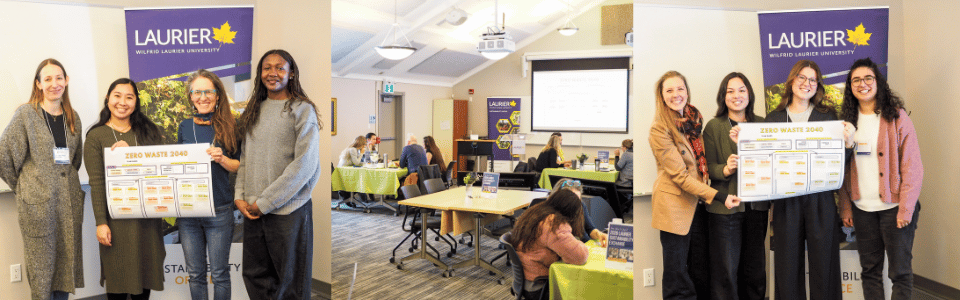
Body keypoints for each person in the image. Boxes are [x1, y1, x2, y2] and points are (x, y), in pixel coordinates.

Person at [730, 60, 855, 300]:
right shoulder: (774, 119)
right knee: (787, 266)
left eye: (812, 79)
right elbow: (760, 159)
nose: (806, 83)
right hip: (786, 202)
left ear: (817, 85)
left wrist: (848, 144)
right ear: (792, 81)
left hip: (821, 201)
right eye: (801, 77)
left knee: (824, 265)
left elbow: (840, 162)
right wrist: (744, 145)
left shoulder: (828, 116)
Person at [235, 49, 322, 299]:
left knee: (290, 284)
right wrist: (240, 195)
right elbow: (245, 159)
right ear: (260, 73)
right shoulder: (253, 110)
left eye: (280, 67)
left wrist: (266, 203)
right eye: (267, 68)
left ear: (291, 73)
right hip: (253, 211)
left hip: (288, 211)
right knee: (255, 276)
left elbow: (304, 165)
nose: (272, 73)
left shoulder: (302, 110)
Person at [648, 70, 741, 299]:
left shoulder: (693, 122)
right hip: (674, 207)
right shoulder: (660, 128)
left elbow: (702, 164)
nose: (676, 94)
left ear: (687, 91)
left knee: (700, 272)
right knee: (677, 275)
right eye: (669, 90)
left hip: (697, 205)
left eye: (680, 88)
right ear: (661, 96)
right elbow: (681, 176)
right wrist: (719, 196)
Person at [838, 58, 923, 300]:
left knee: (900, 273)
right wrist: (845, 206)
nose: (862, 84)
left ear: (878, 83)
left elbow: (913, 166)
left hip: (895, 209)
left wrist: (906, 209)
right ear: (850, 86)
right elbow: (842, 169)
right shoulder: (846, 122)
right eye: (856, 80)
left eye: (868, 78)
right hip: (862, 209)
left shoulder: (896, 117)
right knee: (870, 271)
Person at [0, 59, 85, 300]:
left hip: (68, 204)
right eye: (47, 79)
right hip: (38, 207)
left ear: (66, 81)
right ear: (38, 84)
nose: (54, 84)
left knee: (65, 268)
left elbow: (74, 161)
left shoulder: (73, 117)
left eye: (59, 78)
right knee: (42, 272)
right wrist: (25, 187)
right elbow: (4, 156)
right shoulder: (26, 115)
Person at [84, 78, 166, 300]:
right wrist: (101, 222)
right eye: (117, 96)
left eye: (129, 97)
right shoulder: (95, 136)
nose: (122, 102)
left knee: (145, 282)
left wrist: (130, 155)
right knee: (118, 285)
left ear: (136, 102)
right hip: (115, 223)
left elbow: (160, 172)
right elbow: (97, 182)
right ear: (108, 99)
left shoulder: (149, 132)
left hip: (147, 220)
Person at [702, 72, 768, 300]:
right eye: (730, 91)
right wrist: (726, 169)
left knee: (756, 272)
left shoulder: (762, 124)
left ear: (749, 94)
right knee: (726, 273)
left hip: (756, 208)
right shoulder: (713, 126)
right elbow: (706, 168)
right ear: (723, 96)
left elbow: (771, 161)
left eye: (742, 90)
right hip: (726, 209)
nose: (736, 95)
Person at [176, 70, 241, 300]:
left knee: (221, 274)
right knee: (195, 274)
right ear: (191, 96)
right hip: (188, 213)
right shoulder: (184, 126)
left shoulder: (232, 124)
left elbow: (239, 166)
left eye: (208, 92)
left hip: (219, 211)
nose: (202, 97)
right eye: (197, 92)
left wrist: (222, 158)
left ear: (217, 95)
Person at [510, 188, 589, 300]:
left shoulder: (536, 211)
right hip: (539, 287)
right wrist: (579, 243)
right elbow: (580, 257)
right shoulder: (554, 224)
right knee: (583, 291)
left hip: (524, 280)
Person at [549, 178, 608, 246]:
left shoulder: (581, 205)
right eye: (574, 199)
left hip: (583, 245)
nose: (576, 204)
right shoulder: (552, 216)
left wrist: (599, 234)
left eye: (578, 200)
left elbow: (590, 229)